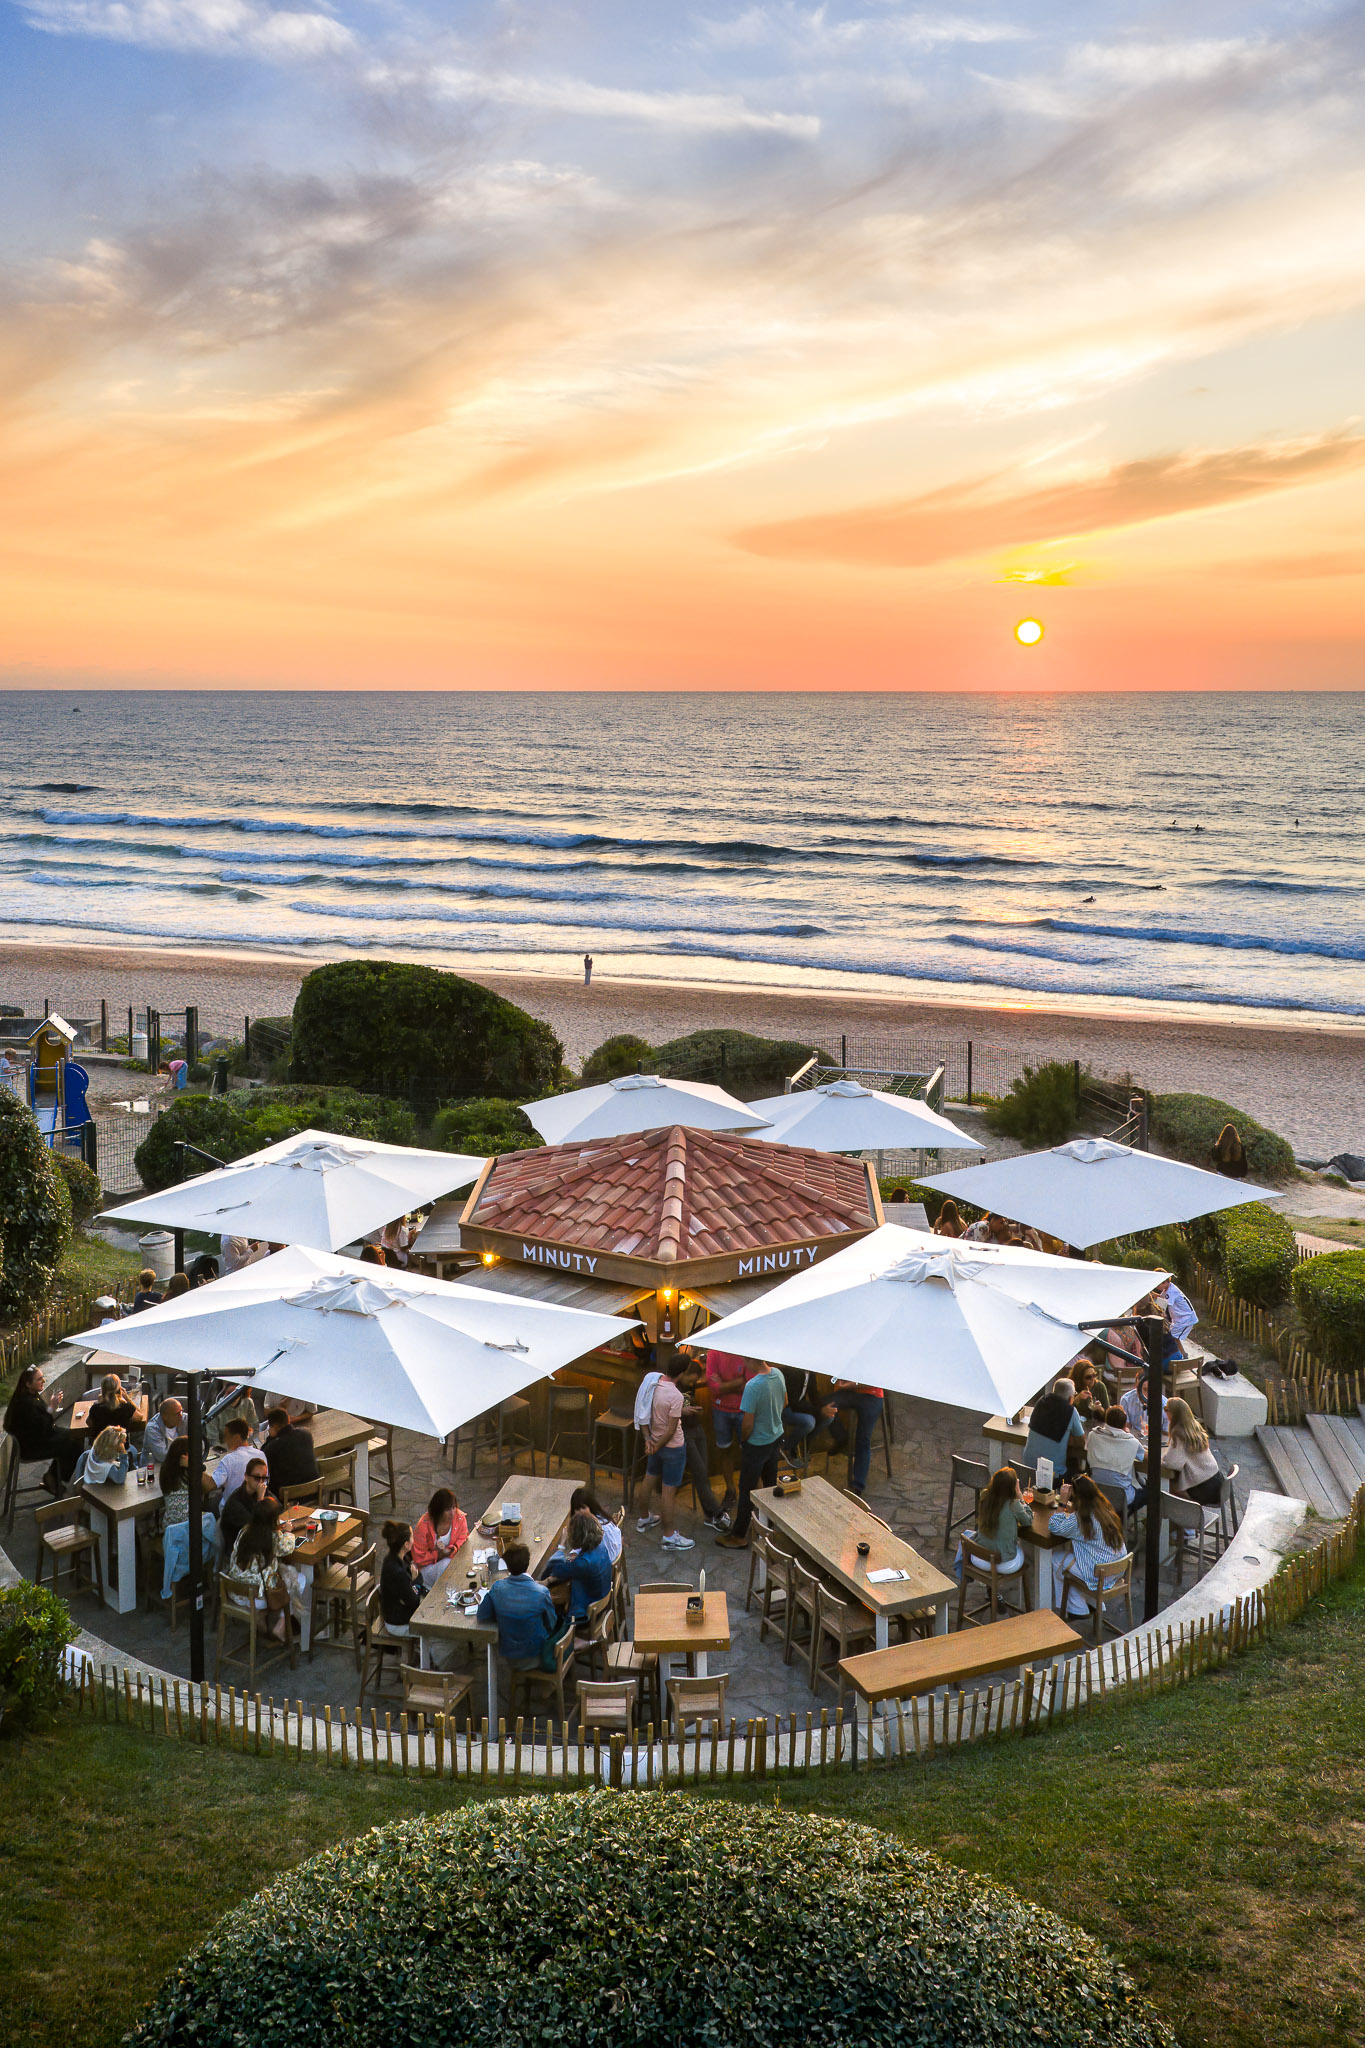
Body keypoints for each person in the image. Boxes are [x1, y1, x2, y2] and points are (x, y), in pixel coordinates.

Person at [715, 1358, 788, 1549]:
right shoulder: (778, 1374)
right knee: (770, 1484)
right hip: (776, 1436)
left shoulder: (753, 1386)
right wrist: (771, 1418)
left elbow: (747, 1424)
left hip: (756, 1444)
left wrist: (743, 1440)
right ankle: (769, 1527)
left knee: (747, 1490)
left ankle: (739, 1535)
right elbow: (785, 1402)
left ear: (749, 1360)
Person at [634, 1357, 695, 1551]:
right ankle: (669, 1536)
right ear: (682, 1373)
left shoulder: (653, 1382)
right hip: (672, 1447)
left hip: (653, 1439)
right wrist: (658, 1446)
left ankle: (644, 1518)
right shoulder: (676, 1396)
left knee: (649, 1479)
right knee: (668, 1491)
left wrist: (650, 1442)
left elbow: (643, 1409)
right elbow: (670, 1430)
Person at [1048, 1475, 1127, 1616]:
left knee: (1057, 1559)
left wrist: (1063, 1503)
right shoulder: (1105, 1509)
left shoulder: (1082, 1520)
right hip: (1118, 1569)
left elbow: (1054, 1526)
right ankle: (1091, 1602)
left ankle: (1077, 1608)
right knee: (1074, 1559)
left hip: (1100, 1574)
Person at [671, 1353, 732, 1529]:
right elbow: (667, 1411)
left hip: (697, 1429)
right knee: (699, 1473)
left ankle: (709, 1515)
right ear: (684, 1373)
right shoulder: (673, 1388)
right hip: (684, 1433)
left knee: (703, 1473)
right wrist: (684, 1412)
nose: (695, 1381)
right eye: (694, 1378)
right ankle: (717, 1514)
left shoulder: (688, 1384)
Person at [226, 1501, 303, 1641]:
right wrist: (287, 1532)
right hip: (257, 1596)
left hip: (235, 1592)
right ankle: (281, 1625)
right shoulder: (272, 1536)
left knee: (282, 1573)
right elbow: (286, 1548)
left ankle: (262, 1622)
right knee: (299, 1580)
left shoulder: (244, 1531)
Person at [477, 1539, 559, 1669]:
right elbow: (552, 1624)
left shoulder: (497, 1588)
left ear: (507, 1566)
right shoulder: (542, 1593)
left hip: (509, 1655)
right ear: (527, 1563)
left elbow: (482, 1616)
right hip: (536, 1654)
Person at [3, 1363, 83, 1485]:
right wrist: (51, 1407)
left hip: (37, 1438)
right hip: (31, 1447)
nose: (44, 1380)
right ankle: (54, 1478)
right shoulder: (25, 1403)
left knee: (75, 1435)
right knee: (72, 1442)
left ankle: (53, 1476)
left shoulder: (30, 1395)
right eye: (39, 1379)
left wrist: (51, 1406)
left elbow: (41, 1420)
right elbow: (39, 1428)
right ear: (28, 1384)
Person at [701, 1348, 756, 1513]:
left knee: (749, 1453)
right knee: (724, 1451)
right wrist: (737, 1382)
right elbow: (713, 1387)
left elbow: (750, 1386)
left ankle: (748, 1492)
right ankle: (731, 1490)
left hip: (743, 1409)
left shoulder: (745, 1349)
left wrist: (724, 1385)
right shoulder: (714, 1352)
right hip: (720, 1410)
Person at [955, 1467, 1031, 1582]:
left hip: (979, 1559)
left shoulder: (985, 1496)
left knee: (984, 1537)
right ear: (1013, 1487)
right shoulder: (1013, 1504)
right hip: (1004, 1565)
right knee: (1023, 1547)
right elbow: (1028, 1521)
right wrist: (1021, 1498)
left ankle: (990, 1592)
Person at [820, 1379, 885, 1496]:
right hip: (850, 1392)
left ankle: (858, 1484)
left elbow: (877, 1379)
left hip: (872, 1394)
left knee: (863, 1438)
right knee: (825, 1405)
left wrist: (852, 1384)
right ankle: (841, 1438)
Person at [545, 1509, 612, 1622]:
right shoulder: (600, 1546)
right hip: (600, 1598)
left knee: (547, 1599)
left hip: (585, 1615)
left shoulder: (583, 1563)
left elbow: (554, 1569)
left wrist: (561, 1545)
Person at [1022, 1377, 1086, 1481]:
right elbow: (1081, 1442)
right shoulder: (1071, 1411)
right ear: (1071, 1398)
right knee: (1078, 1471)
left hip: (1026, 1469)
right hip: (1051, 1475)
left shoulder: (1041, 1401)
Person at [1163, 1398, 1224, 1505]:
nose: (1165, 1412)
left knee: (1169, 1491)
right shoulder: (1194, 1426)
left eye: (1166, 1409)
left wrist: (1162, 1457)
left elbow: (1172, 1464)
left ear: (1174, 1413)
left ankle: (1186, 1517)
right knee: (1175, 1485)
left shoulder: (1178, 1432)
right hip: (1218, 1482)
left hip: (1205, 1488)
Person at [1086, 1406, 1147, 1511]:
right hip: (1121, 1499)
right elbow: (1146, 1458)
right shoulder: (1132, 1442)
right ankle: (1125, 1519)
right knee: (1150, 1492)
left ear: (1106, 1421)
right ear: (1124, 1425)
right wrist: (1127, 1434)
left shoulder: (1093, 1435)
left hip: (1097, 1494)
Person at [412, 1487, 470, 1589]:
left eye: (453, 1507)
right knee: (447, 1565)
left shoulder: (460, 1517)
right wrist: (439, 1555)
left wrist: (452, 1549)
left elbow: (463, 1538)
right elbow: (419, 1558)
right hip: (428, 1568)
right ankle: (440, 1594)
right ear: (438, 1510)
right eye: (447, 1509)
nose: (452, 1512)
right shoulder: (423, 1525)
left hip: (451, 1561)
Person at [218, 1457, 273, 1554]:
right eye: (256, 1478)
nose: (261, 1482)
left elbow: (278, 1510)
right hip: (241, 1553)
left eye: (264, 1478)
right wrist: (261, 1500)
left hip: (258, 1545)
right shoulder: (235, 1504)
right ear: (246, 1477)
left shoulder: (260, 1490)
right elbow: (256, 1529)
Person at [379, 1521, 423, 1634]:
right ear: (406, 1544)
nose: (414, 1540)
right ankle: (429, 1651)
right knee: (433, 1630)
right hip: (397, 1624)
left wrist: (414, 1581)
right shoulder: (397, 1571)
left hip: (395, 1611)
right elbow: (414, 1601)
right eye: (412, 1537)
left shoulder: (394, 1557)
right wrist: (414, 1581)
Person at [263, 1408, 319, 1492]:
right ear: (288, 1420)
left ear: (274, 1427)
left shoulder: (272, 1447)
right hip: (314, 1490)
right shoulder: (306, 1434)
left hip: (288, 1498)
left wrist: (270, 1438)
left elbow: (262, 1456)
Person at [210, 1416, 257, 1505]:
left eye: (226, 1436)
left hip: (231, 1512)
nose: (225, 1440)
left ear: (236, 1438)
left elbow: (211, 1485)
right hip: (255, 1508)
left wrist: (193, 1465)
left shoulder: (229, 1460)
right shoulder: (261, 1455)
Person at [778, 1364, 819, 1463]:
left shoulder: (810, 1372)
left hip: (797, 1407)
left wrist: (824, 1408)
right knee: (809, 1421)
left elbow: (814, 1396)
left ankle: (804, 1445)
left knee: (827, 1417)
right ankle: (786, 1448)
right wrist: (817, 1410)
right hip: (783, 1409)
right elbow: (793, 1402)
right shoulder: (793, 1371)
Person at [570, 1486, 622, 1563]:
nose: (581, 1512)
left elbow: (589, 1548)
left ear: (590, 1506)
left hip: (603, 1565)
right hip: (609, 1561)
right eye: (577, 1509)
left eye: (583, 1508)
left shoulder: (596, 1528)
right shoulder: (600, 1515)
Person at [86, 1372, 138, 1440]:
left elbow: (89, 1423)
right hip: (121, 1447)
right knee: (133, 1449)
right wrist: (127, 1398)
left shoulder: (95, 1409)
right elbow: (140, 1417)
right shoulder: (126, 1407)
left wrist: (99, 1402)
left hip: (100, 1448)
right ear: (120, 1389)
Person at [1154, 1278, 1198, 1354]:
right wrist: (1150, 1294)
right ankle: (1181, 1355)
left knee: (1172, 1337)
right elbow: (1160, 1299)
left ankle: (1181, 1356)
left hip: (1186, 1319)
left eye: (1158, 1284)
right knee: (1172, 1337)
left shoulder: (1171, 1291)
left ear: (1165, 1282)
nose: (1157, 1287)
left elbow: (1163, 1305)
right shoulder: (1167, 1289)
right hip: (1179, 1319)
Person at [1121, 1371, 1167, 1443]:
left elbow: (1166, 1433)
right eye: (1140, 1389)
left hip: (1156, 1441)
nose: (1144, 1394)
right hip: (1134, 1439)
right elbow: (1126, 1427)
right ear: (1136, 1386)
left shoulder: (1164, 1404)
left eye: (1148, 1389)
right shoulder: (1126, 1400)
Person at [142, 1396, 185, 1467]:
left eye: (181, 1412)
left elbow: (200, 1444)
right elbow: (162, 1456)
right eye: (177, 1414)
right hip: (154, 1468)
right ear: (165, 1416)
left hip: (178, 1465)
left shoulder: (186, 1420)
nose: (181, 1416)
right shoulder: (152, 1429)